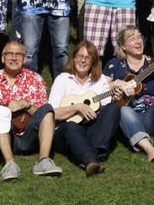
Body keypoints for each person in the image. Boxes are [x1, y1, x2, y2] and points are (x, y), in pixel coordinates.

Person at [0, 41, 63, 181]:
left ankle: (43, 161)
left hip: (29, 137)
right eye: (10, 54)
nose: (14, 57)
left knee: (47, 109)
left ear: (24, 59)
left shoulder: (35, 79)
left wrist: (26, 105)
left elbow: (42, 115)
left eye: (18, 54)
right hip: (1, 138)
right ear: (2, 58)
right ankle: (10, 164)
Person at [103, 26, 154, 161]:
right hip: (129, 119)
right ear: (123, 46)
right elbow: (101, 88)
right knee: (123, 110)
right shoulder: (114, 64)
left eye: (139, 37)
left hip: (151, 116)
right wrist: (117, 83)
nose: (138, 42)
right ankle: (149, 148)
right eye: (132, 39)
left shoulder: (153, 62)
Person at [47, 40, 121, 176]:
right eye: (80, 56)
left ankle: (92, 154)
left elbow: (105, 112)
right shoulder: (62, 79)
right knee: (71, 125)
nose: (83, 61)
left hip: (91, 126)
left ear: (93, 61)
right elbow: (52, 113)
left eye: (88, 57)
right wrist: (77, 107)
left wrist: (115, 98)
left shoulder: (100, 81)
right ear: (74, 58)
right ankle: (90, 158)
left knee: (113, 108)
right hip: (66, 131)